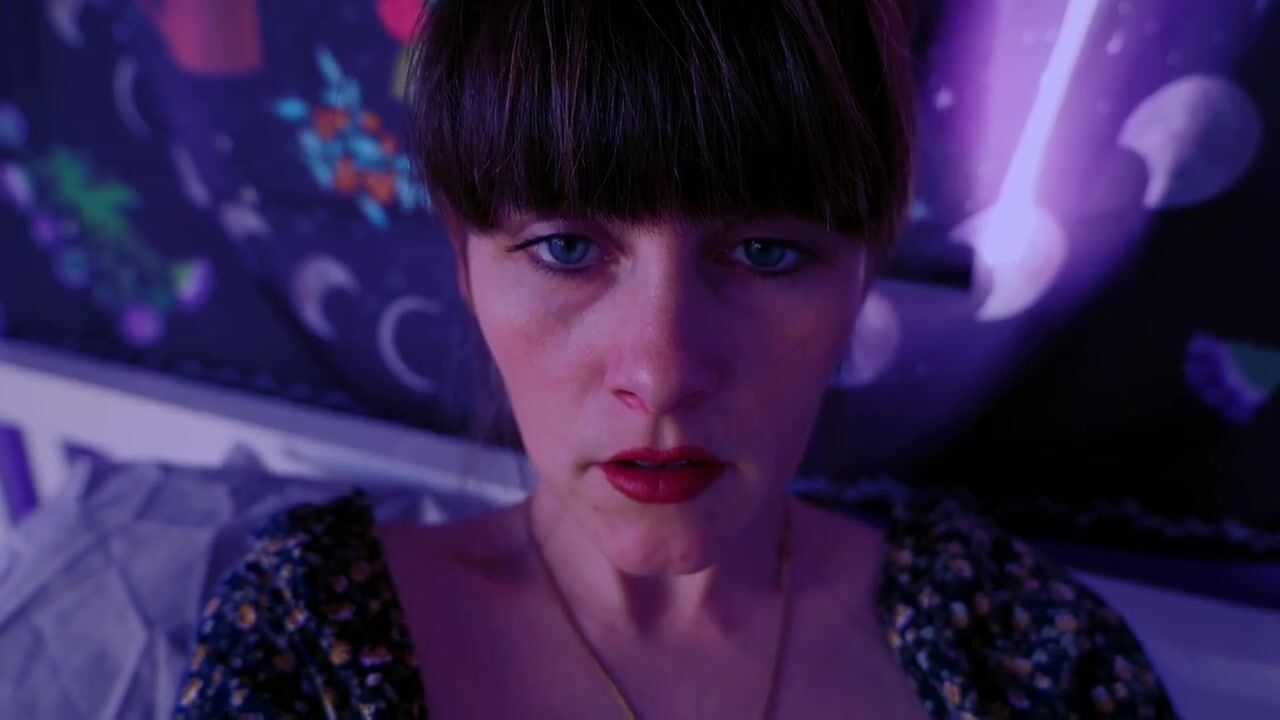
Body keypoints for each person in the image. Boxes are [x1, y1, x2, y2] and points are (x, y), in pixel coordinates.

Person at [172, 0, 1178, 717]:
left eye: (766, 253)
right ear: (466, 265)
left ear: (861, 274)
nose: (658, 374)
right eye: (566, 249)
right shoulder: (306, 644)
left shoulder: (1022, 653)